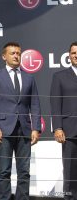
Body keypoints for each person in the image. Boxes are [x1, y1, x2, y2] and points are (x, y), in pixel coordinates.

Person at [0, 42, 41, 200]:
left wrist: (35, 128)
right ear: (4, 56)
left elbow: (35, 104)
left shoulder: (29, 78)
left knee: (24, 171)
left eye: (18, 53)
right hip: (3, 129)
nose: (16, 56)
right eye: (13, 53)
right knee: (4, 170)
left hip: (24, 130)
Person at [50, 42, 77, 200]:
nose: (76, 55)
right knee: (70, 172)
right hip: (69, 131)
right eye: (73, 53)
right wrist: (58, 128)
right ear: (69, 55)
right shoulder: (59, 77)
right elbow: (55, 104)